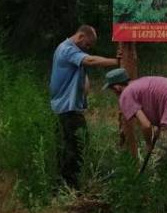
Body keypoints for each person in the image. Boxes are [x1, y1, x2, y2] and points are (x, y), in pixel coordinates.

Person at [103, 68, 167, 184]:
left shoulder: (126, 94)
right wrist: (158, 128)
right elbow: (158, 102)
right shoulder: (141, 83)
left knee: (164, 163)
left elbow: (146, 125)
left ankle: (161, 198)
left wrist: (149, 144)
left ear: (116, 88)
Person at [49, 25, 119, 188]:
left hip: (67, 109)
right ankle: (69, 186)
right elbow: (90, 60)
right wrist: (117, 62)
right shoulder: (67, 49)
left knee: (71, 146)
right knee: (76, 147)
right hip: (67, 110)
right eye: (87, 45)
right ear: (80, 37)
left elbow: (81, 74)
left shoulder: (68, 51)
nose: (87, 49)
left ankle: (65, 185)